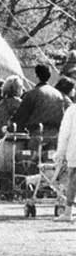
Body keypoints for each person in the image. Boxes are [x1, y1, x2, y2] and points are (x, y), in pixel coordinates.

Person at [12, 64, 67, 135]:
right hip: (54, 136)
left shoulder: (32, 94)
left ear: (36, 75)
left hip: (36, 135)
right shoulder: (58, 95)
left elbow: (20, 117)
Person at [55, 88, 76, 222]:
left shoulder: (72, 111)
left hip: (74, 151)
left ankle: (68, 212)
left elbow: (64, 134)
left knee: (72, 181)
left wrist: (60, 154)